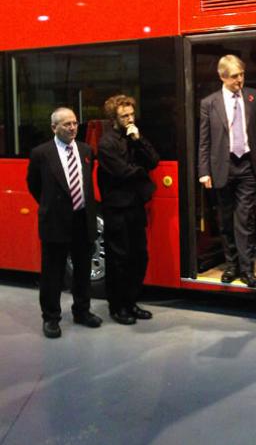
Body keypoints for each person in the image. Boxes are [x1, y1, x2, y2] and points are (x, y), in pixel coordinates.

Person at [198, 55, 256, 288]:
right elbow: (204, 140)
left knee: (245, 219)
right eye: (234, 76)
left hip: (248, 166)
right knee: (225, 219)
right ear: (222, 77)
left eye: (242, 74)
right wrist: (204, 171)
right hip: (222, 166)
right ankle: (231, 265)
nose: (240, 80)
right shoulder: (209, 103)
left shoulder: (254, 96)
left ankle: (247, 269)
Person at [27, 107, 103, 339]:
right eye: (66, 124)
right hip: (56, 222)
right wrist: (52, 206)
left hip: (83, 219)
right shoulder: (41, 153)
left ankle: (82, 311)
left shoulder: (86, 150)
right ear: (54, 128)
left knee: (82, 269)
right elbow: (34, 184)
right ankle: (51, 318)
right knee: (53, 273)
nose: (72, 128)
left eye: (74, 123)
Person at [98, 95, 159, 325]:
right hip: (116, 209)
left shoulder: (135, 137)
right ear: (114, 118)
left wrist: (139, 139)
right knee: (118, 259)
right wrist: (140, 172)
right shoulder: (106, 143)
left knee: (139, 256)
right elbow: (122, 172)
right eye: (125, 116)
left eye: (132, 114)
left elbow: (153, 160)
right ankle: (117, 306)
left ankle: (131, 302)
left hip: (135, 206)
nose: (130, 118)